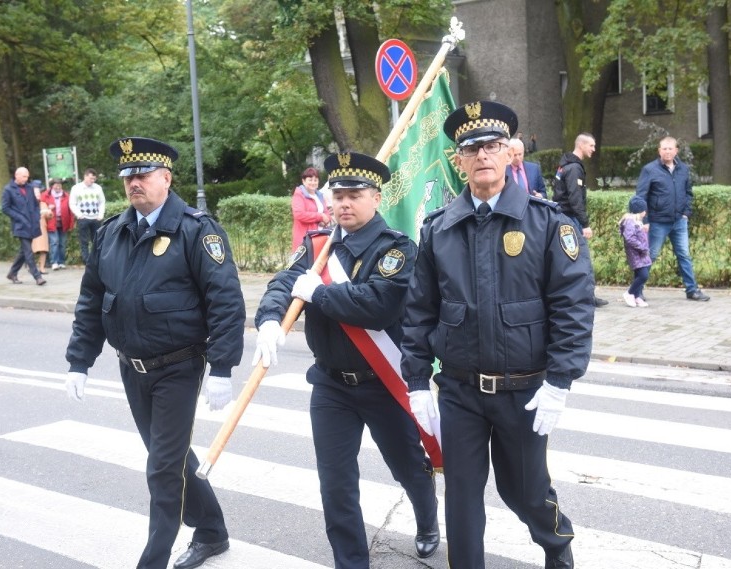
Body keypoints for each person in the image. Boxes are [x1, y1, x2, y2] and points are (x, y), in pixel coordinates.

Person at [401, 101, 594, 569]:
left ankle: (557, 546)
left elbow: (573, 306)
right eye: (471, 148)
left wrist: (560, 381)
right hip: (461, 390)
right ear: (459, 161)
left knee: (525, 493)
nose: (483, 155)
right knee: (462, 500)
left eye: (492, 146)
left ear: (510, 155)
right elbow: (420, 310)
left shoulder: (547, 223)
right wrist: (415, 380)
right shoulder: (438, 230)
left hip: (525, 390)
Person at [64, 137, 245, 569]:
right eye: (127, 176)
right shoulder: (112, 232)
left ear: (166, 178)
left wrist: (221, 366)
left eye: (142, 175)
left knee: (162, 468)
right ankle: (213, 532)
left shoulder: (197, 230)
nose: (133, 183)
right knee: (172, 454)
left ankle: (154, 560)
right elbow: (92, 300)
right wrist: (79, 361)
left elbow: (226, 300)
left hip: (179, 365)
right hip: (133, 367)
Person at [254, 152, 440, 568]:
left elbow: (377, 305)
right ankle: (351, 562)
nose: (343, 203)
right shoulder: (318, 245)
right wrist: (269, 319)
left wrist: (318, 293)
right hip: (331, 384)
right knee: (336, 485)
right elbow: (284, 283)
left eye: (354, 195)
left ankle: (428, 519)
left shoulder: (396, 249)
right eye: (337, 195)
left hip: (382, 381)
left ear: (376, 198)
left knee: (408, 467)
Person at [635, 136, 710, 301]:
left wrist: (686, 213)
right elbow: (640, 197)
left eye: (671, 149)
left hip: (679, 222)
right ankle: (636, 290)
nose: (668, 151)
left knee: (684, 255)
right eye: (664, 148)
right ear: (659, 151)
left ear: (676, 151)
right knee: (650, 255)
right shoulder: (649, 169)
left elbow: (688, 192)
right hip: (657, 222)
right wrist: (644, 221)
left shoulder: (683, 169)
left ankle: (692, 290)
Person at [553, 132, 607, 307]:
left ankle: (579, 295)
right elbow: (575, 199)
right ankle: (587, 297)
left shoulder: (565, 166)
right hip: (572, 219)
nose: (593, 149)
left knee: (570, 258)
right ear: (582, 145)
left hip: (564, 218)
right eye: (591, 145)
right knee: (581, 258)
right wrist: (585, 224)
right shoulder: (574, 168)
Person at [1, 167, 46, 285]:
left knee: (23, 252)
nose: (26, 179)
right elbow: (5, 208)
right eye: (24, 177)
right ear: (17, 175)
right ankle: (37, 276)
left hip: (32, 223)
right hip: (20, 225)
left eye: (27, 176)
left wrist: (36, 216)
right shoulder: (8, 189)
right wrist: (19, 217)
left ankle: (12, 273)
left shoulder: (30, 187)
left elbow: (36, 204)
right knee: (28, 251)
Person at [619, 196, 652, 308]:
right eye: (644, 210)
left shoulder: (637, 221)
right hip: (636, 254)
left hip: (642, 254)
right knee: (643, 275)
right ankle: (629, 293)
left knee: (640, 274)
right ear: (640, 210)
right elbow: (629, 238)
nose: (645, 212)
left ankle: (636, 296)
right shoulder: (630, 221)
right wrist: (642, 247)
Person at [69, 167, 106, 265]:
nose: (92, 181)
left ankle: (97, 259)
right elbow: (72, 203)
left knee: (97, 240)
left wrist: (100, 214)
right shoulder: (76, 188)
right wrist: (79, 215)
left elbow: (102, 202)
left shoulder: (98, 188)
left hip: (96, 218)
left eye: (94, 179)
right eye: (90, 178)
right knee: (84, 240)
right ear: (85, 176)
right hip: (83, 218)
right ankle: (86, 261)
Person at [291, 166, 331, 249]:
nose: (313, 182)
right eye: (310, 180)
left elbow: (327, 213)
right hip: (305, 238)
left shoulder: (319, 195)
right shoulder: (299, 195)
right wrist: (320, 217)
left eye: (315, 180)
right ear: (303, 181)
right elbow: (299, 214)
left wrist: (326, 219)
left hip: (320, 236)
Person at [40, 178, 76, 270]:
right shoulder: (45, 195)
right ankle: (54, 262)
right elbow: (40, 207)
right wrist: (48, 208)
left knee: (62, 243)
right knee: (54, 242)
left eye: (59, 185)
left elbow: (71, 210)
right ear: (52, 186)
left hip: (63, 223)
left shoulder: (66, 196)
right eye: (56, 185)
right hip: (51, 223)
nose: (58, 187)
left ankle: (61, 262)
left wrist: (71, 223)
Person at [30, 180, 51, 274]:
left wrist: (49, 213)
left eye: (39, 193)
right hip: (31, 228)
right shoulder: (28, 204)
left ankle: (42, 267)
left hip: (42, 228)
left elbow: (49, 217)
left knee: (43, 249)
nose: (38, 195)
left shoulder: (43, 204)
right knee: (31, 249)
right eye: (36, 193)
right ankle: (32, 267)